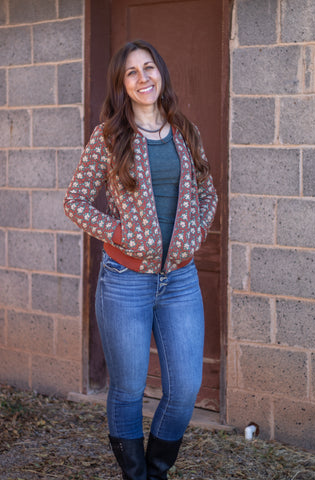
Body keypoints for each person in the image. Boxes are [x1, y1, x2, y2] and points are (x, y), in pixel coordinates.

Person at [64, 39, 218, 480]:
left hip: (181, 281)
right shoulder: (110, 137)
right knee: (129, 389)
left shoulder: (185, 129)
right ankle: (136, 477)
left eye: (149, 68)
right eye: (131, 72)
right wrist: (118, 232)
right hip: (125, 281)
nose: (143, 77)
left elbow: (208, 191)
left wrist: (198, 229)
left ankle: (156, 470)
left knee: (185, 389)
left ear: (161, 74)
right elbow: (75, 201)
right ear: (122, 84)